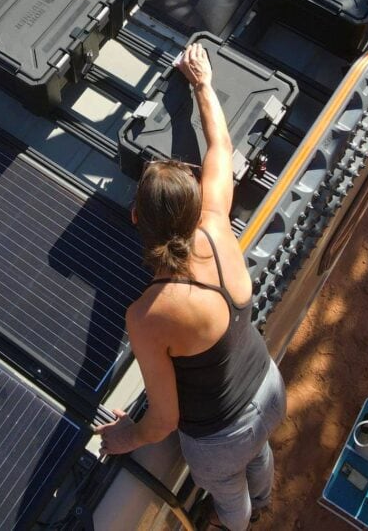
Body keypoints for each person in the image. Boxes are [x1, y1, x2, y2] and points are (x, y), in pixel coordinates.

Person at [96, 42, 288, 530]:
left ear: (136, 216)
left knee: (229, 496)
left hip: (220, 435)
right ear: (194, 204)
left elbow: (163, 421)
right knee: (259, 454)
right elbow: (221, 147)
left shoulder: (147, 315)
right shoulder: (216, 224)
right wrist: (202, 83)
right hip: (268, 388)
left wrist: (125, 438)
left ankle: (240, 524)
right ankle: (266, 499)